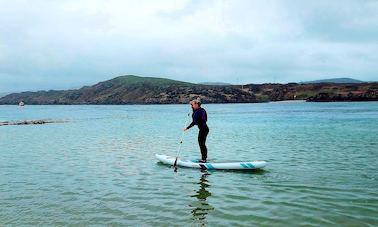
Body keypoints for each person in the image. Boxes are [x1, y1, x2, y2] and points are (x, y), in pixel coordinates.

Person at [183, 98, 209, 163]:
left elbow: (194, 122)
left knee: (201, 144)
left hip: (203, 129)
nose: (192, 106)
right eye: (191, 105)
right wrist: (192, 106)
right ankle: (204, 158)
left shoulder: (198, 112)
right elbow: (204, 119)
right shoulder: (202, 110)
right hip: (205, 129)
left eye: (193, 105)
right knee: (202, 144)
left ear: (197, 104)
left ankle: (204, 159)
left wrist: (187, 128)